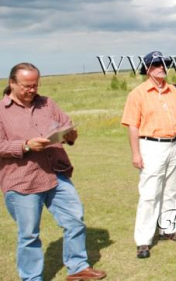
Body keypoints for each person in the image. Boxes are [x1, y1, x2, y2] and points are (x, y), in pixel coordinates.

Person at [0, 63, 106, 281]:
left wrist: (70, 135)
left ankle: (77, 267)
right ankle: (31, 278)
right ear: (11, 83)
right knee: (29, 234)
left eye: (35, 85)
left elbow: (66, 125)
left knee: (75, 220)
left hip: (56, 174)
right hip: (22, 181)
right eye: (26, 86)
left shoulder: (47, 103)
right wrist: (26, 145)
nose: (32, 90)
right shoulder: (1, 112)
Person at [121, 51, 176, 259]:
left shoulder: (172, 91)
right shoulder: (138, 94)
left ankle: (168, 229)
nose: (162, 67)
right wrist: (135, 154)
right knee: (150, 193)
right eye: (157, 64)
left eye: (164, 64)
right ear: (147, 69)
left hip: (173, 145)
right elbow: (132, 126)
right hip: (151, 146)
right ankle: (143, 241)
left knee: (172, 189)